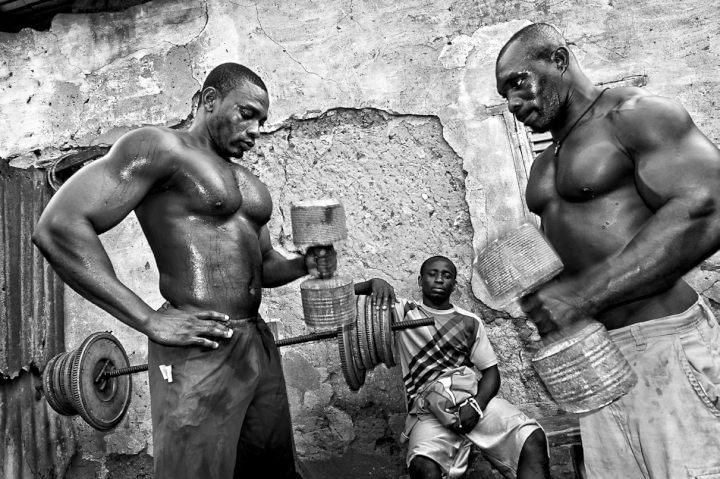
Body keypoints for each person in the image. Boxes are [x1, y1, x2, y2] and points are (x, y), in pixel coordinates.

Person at [32, 63, 336, 479]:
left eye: (262, 122)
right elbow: (59, 227)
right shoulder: (159, 147)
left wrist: (304, 264)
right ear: (210, 100)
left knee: (271, 466)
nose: (256, 131)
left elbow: (263, 266)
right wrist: (149, 319)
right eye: (247, 114)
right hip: (197, 347)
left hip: (256, 341)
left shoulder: (247, 181)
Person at [495, 23, 720, 479]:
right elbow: (581, 251)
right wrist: (544, 305)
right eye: (505, 94)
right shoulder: (543, 164)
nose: (514, 103)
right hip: (598, 363)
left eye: (519, 82)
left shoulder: (636, 115)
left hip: (665, 343)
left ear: (558, 60)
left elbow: (705, 205)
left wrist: (581, 297)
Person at [355, 256, 551, 479]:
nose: (439, 280)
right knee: (422, 465)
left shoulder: (469, 321)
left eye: (446, 275)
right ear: (420, 281)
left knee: (531, 437)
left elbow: (491, 373)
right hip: (428, 411)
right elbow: (343, 296)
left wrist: (476, 406)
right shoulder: (404, 313)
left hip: (471, 401)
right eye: (432, 274)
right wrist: (373, 283)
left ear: (454, 284)